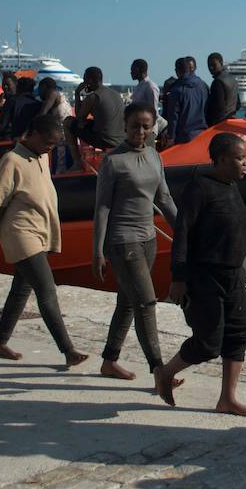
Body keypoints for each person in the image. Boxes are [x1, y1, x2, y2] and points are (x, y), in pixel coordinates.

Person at [154, 133, 246, 414]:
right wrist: (178, 277)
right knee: (209, 343)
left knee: (238, 336)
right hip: (204, 276)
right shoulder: (200, 188)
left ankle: (227, 399)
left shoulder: (232, 187)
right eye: (240, 157)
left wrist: (241, 275)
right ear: (221, 159)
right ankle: (166, 372)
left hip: (234, 276)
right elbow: (183, 234)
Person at [0, 113, 90, 368]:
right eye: (48, 142)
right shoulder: (12, 160)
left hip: (41, 231)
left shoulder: (42, 155)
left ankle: (0, 341)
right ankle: (68, 349)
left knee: (21, 289)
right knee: (47, 290)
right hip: (21, 233)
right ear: (35, 135)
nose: (50, 147)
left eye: (53, 144)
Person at [93, 103, 179, 383]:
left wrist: (184, 233)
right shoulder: (113, 161)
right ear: (125, 126)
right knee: (146, 302)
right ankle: (159, 370)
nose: (140, 131)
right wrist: (98, 250)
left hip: (149, 240)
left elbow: (164, 199)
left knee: (127, 303)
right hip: (122, 240)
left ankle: (109, 360)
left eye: (145, 126)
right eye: (134, 126)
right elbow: (102, 207)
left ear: (152, 126)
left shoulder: (155, 156)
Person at [72, 66, 125, 154]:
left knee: (69, 123)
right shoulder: (116, 94)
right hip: (121, 139)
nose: (83, 83)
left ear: (90, 81)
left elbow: (79, 117)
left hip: (105, 140)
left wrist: (77, 93)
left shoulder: (94, 97)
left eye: (84, 80)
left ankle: (77, 160)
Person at [163, 57, 208, 144]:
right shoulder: (204, 86)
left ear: (176, 71)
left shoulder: (176, 90)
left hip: (184, 137)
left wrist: (171, 137)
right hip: (203, 134)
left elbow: (173, 117)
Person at [36, 77, 76, 172]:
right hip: (67, 136)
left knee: (60, 168)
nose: (39, 93)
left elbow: (43, 113)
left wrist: (27, 132)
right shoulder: (60, 96)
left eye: (40, 89)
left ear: (45, 87)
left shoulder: (53, 94)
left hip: (62, 138)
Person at [205, 52, 238, 126]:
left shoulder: (218, 82)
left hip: (220, 122)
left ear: (221, 63)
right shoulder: (233, 79)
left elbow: (218, 107)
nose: (211, 68)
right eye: (209, 65)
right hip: (231, 119)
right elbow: (238, 104)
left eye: (213, 65)